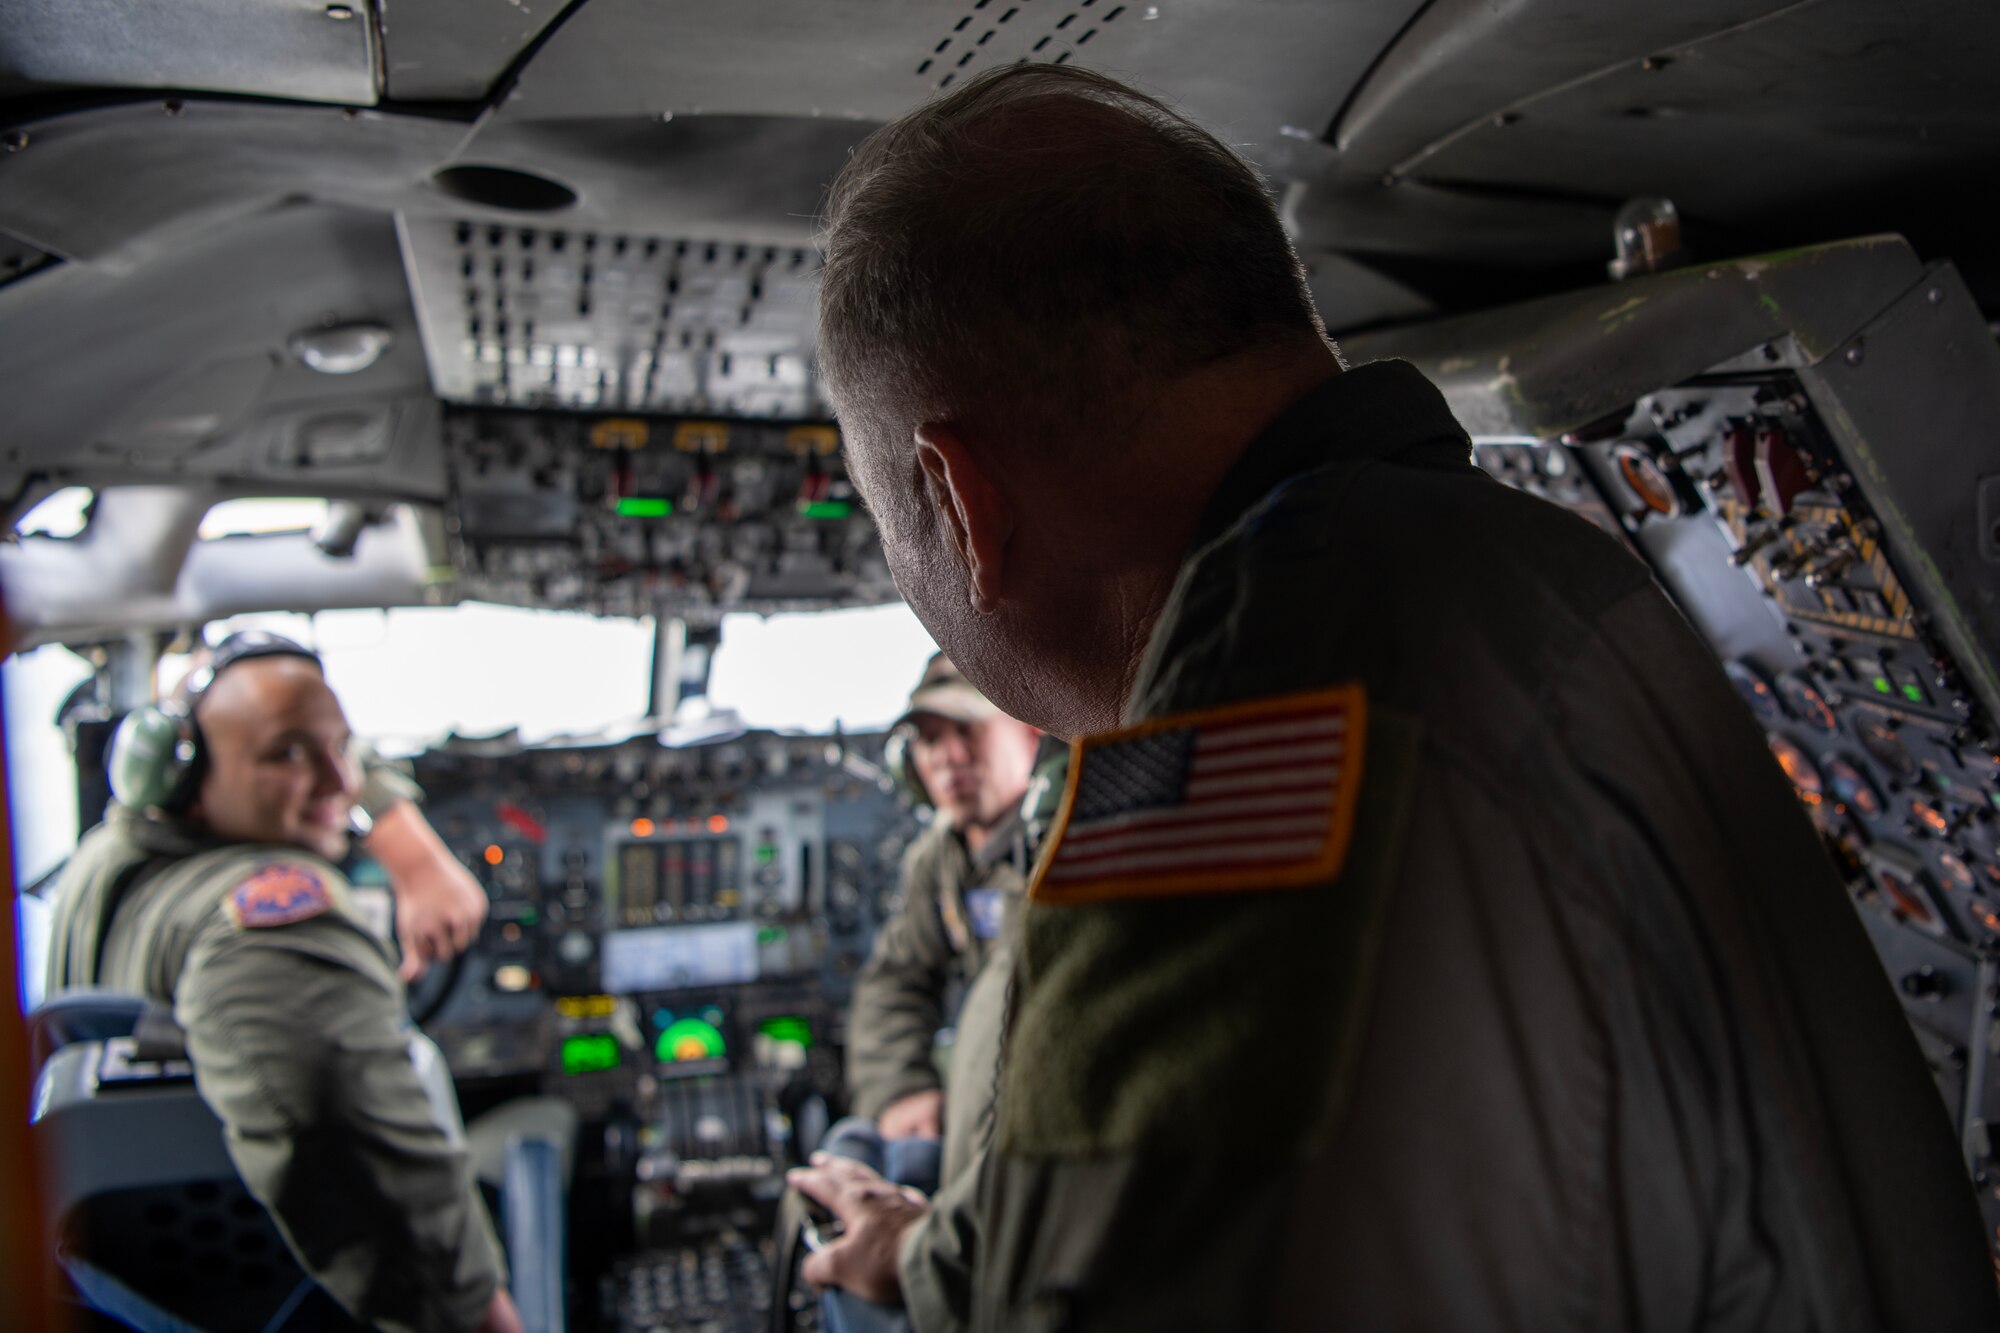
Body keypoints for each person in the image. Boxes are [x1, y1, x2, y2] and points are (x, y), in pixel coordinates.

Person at [787, 64, 2000, 1330]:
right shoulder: (1506, 561)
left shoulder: (1265, 708)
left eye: (885, 522)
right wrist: (922, 1259)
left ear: (960, 503)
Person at [44, 631, 520, 1333]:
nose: (338, 781)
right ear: (186, 778)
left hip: (188, 1287)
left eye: (342, 746)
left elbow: (325, 756)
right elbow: (363, 1159)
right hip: (333, 1302)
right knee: (537, 1139)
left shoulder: (105, 858)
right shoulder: (278, 923)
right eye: (286, 754)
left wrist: (409, 847)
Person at [841, 653, 1042, 1186]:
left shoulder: (1065, 839)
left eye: (967, 729)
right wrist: (902, 1088)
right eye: (928, 740)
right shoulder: (940, 858)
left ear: (1030, 732)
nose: (948, 756)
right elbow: (896, 979)